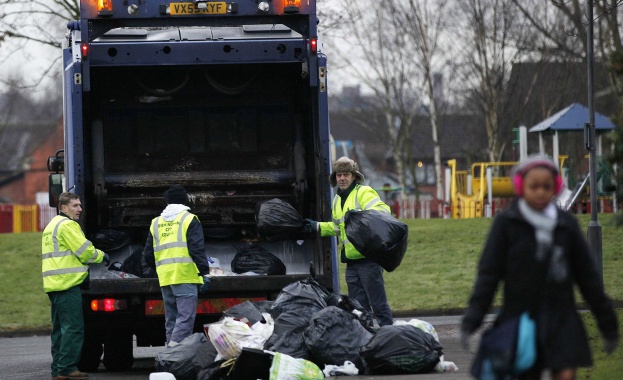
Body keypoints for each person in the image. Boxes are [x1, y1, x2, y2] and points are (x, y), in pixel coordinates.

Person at [460, 155, 619, 380]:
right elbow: (488, 276)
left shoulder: (566, 225)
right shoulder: (507, 224)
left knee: (565, 374)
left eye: (546, 186)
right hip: (521, 322)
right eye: (533, 186)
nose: (541, 192)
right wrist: (471, 322)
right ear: (520, 186)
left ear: (555, 187)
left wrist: (608, 326)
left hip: (561, 319)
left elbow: (588, 278)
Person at [303, 156, 394, 326]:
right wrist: (317, 227)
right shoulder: (337, 200)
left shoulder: (363, 192)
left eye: (346, 174)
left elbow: (383, 212)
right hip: (351, 263)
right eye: (339, 175)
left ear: (353, 176)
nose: (342, 178)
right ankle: (366, 339)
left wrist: (359, 218)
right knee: (358, 308)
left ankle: (389, 338)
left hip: (369, 260)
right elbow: (339, 227)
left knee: (378, 305)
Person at [42, 192, 109, 380]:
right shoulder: (68, 225)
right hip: (67, 285)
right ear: (64, 208)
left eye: (80, 205)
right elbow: (85, 252)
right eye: (75, 206)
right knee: (73, 328)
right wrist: (103, 256)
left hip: (54, 285)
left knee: (59, 331)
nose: (80, 209)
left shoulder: (52, 225)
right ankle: (67, 368)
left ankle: (58, 370)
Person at [143, 185, 211, 347]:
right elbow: (196, 248)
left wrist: (161, 268)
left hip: (165, 277)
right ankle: (174, 351)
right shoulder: (189, 219)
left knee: (171, 318)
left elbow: (147, 255)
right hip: (185, 275)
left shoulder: (156, 222)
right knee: (185, 318)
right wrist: (204, 272)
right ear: (185, 200)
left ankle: (170, 353)